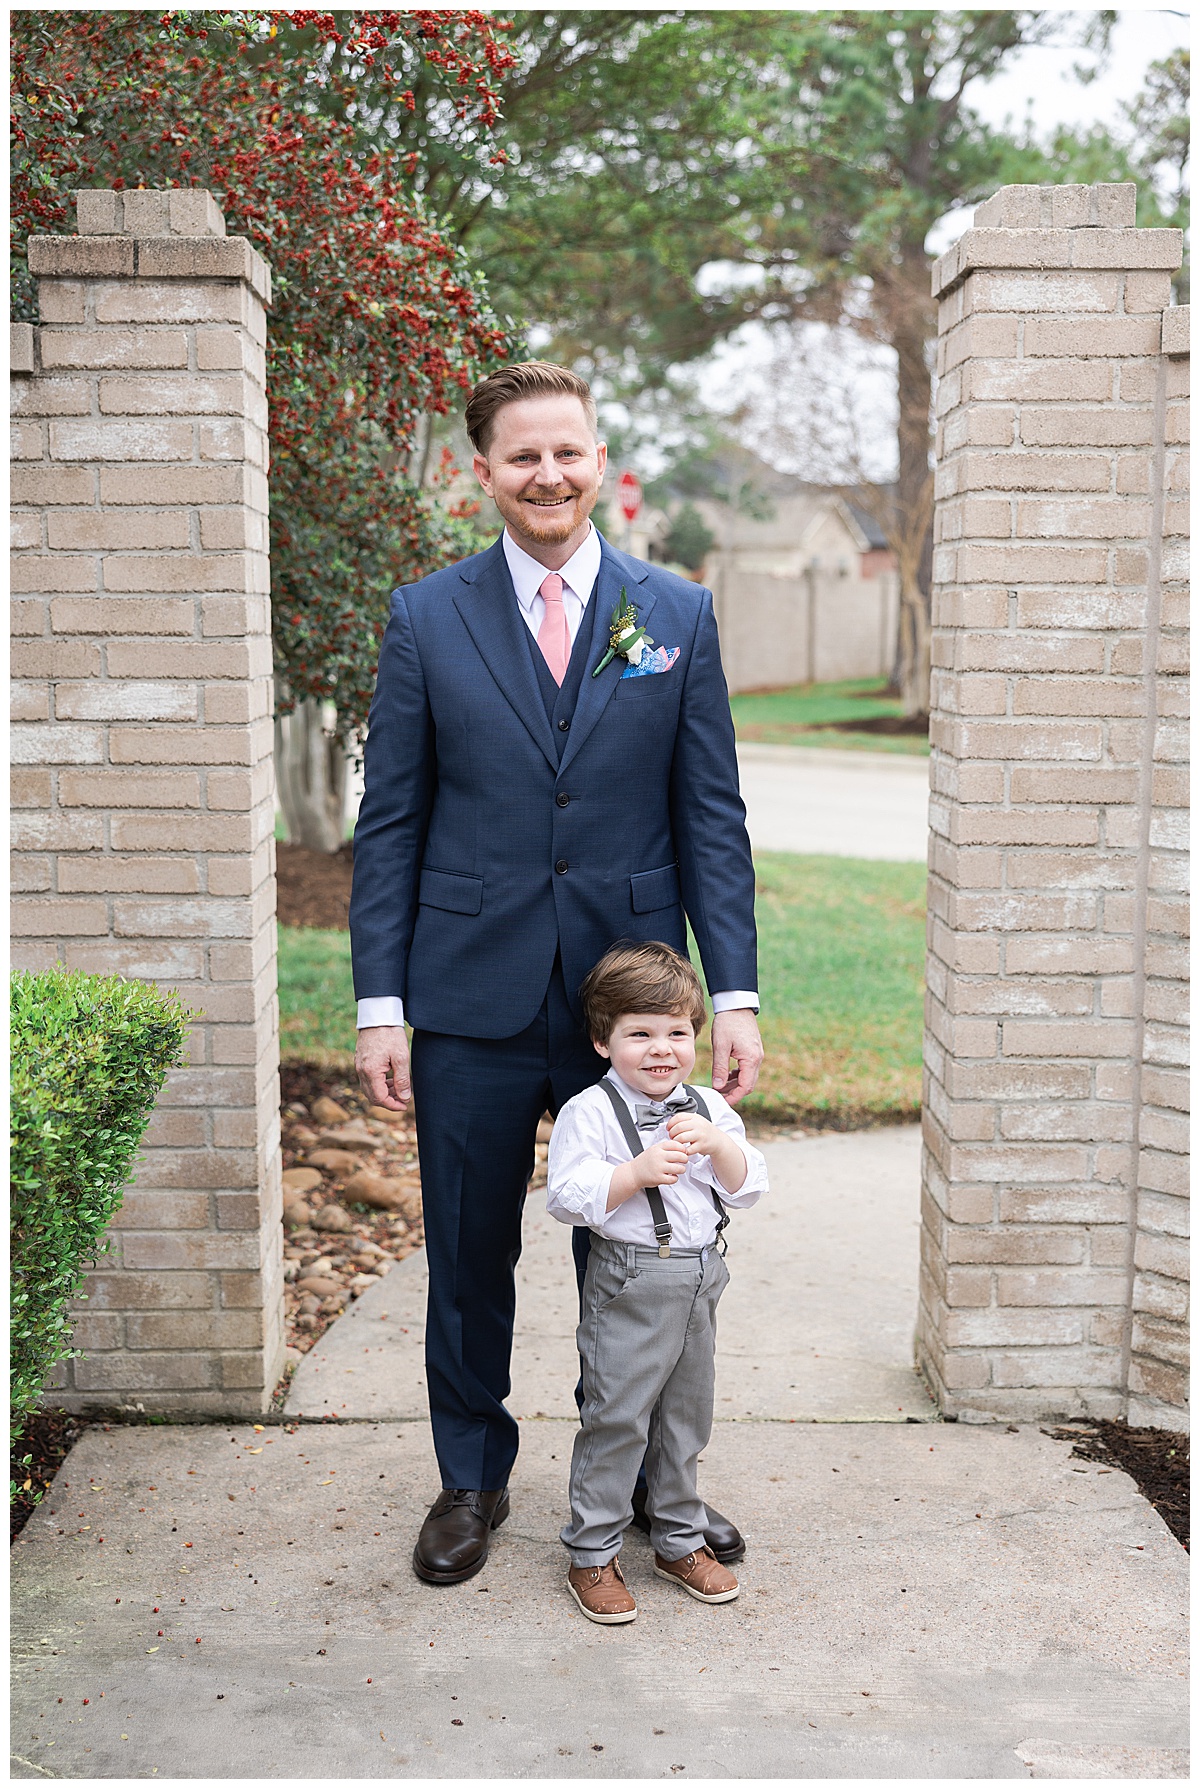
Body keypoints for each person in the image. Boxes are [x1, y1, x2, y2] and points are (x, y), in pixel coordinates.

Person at [350, 360, 763, 1587]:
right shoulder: (427, 615)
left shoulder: (673, 615)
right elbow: (392, 824)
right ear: (482, 471)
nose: (549, 475)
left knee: (640, 1251)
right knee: (471, 1253)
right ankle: (471, 1477)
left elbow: (712, 817)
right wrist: (384, 1004)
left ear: (600, 460)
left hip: (629, 1003)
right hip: (469, 993)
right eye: (522, 456)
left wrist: (727, 991)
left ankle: (645, 1480)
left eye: (568, 452)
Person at [546, 941, 767, 1624]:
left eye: (676, 1032)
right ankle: (592, 1552)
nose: (661, 1049)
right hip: (630, 1280)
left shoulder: (704, 1106)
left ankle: (677, 1538)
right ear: (602, 1040)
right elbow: (567, 1194)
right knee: (617, 1417)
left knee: (684, 1418)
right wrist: (635, 1172)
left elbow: (751, 1183)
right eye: (639, 1033)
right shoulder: (590, 1110)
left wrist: (719, 1144)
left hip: (700, 1275)